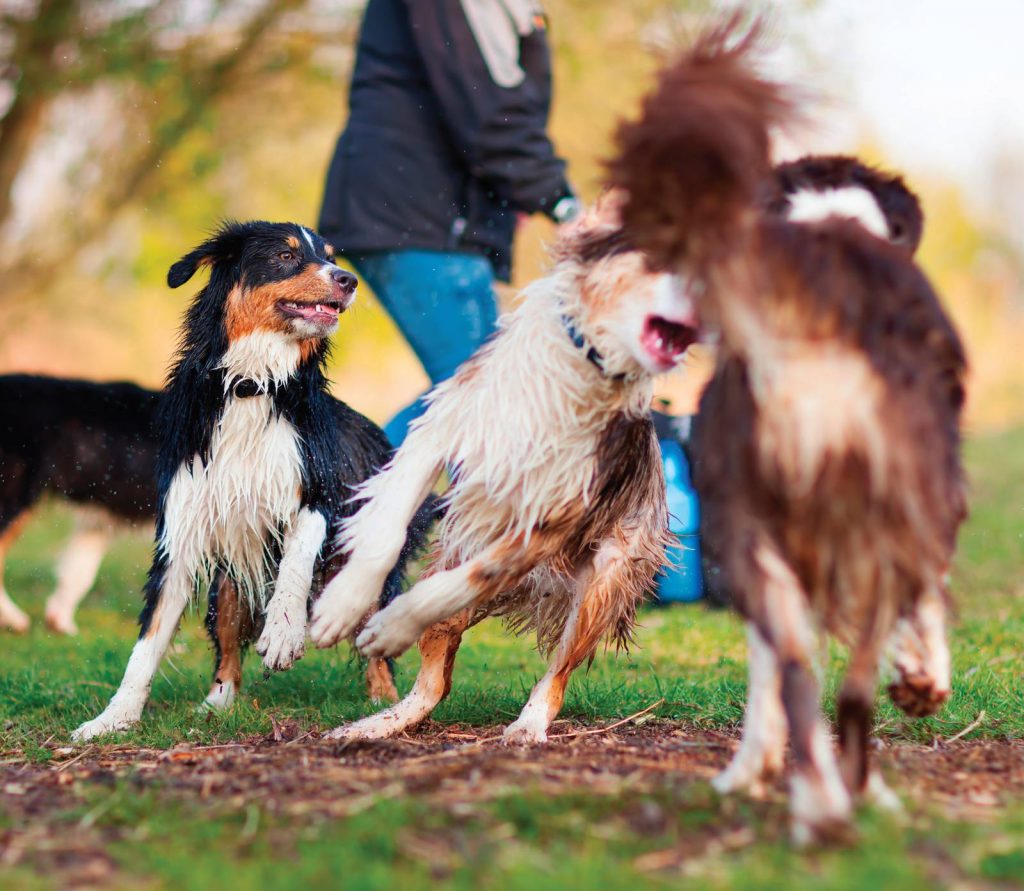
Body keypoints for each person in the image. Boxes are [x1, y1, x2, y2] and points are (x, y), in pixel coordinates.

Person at [319, 0, 579, 446]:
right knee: (481, 388)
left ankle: (345, 501)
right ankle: (343, 504)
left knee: (483, 385)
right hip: (417, 217)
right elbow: (489, 111)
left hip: (439, 220)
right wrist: (562, 204)